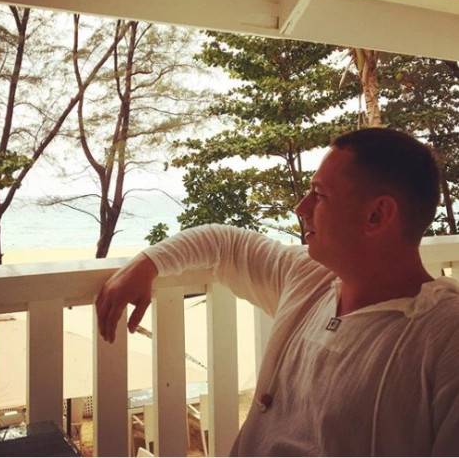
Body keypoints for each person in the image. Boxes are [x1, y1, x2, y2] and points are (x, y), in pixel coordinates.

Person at [96, 127, 459, 456]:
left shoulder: (444, 337)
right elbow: (225, 244)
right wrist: (148, 263)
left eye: (319, 195)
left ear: (377, 215)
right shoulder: (310, 277)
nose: (301, 208)